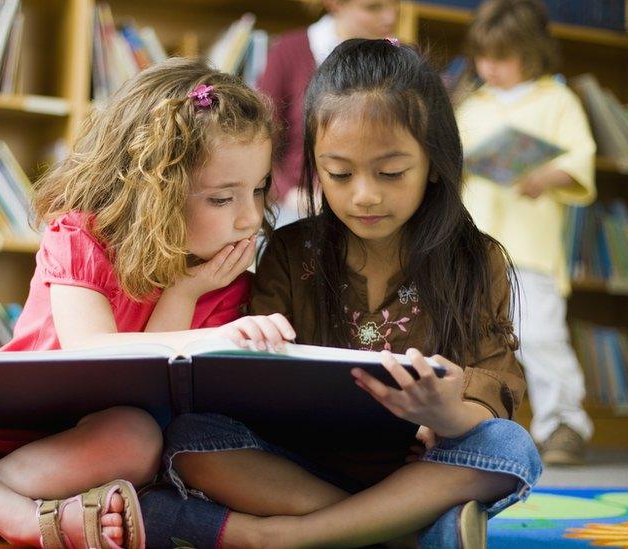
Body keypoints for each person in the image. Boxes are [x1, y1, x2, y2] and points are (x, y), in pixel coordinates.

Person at [0, 58, 293, 548]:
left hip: (72, 451)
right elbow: (91, 347)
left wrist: (184, 291)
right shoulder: (81, 236)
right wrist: (206, 333)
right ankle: (19, 520)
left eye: (258, 190)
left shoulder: (226, 283)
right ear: (153, 191)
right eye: (222, 199)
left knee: (138, 438)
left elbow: (145, 392)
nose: (250, 218)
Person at [142, 39, 542, 549]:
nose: (365, 194)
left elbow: (496, 387)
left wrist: (445, 414)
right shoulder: (290, 250)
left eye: (391, 172)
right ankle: (402, 533)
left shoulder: (475, 259)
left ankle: (287, 538)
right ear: (314, 163)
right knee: (191, 440)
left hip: (423, 467)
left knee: (512, 448)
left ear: (435, 163)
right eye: (340, 173)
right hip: (301, 468)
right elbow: (247, 383)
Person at [459, 0, 598, 465]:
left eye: (502, 57)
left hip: (531, 248)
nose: (489, 67)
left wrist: (547, 177)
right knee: (472, 336)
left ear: (531, 52)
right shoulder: (470, 104)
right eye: (483, 56)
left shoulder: (557, 101)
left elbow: (580, 158)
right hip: (474, 246)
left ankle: (562, 424)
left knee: (539, 336)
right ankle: (476, 423)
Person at [257, 0, 400, 226]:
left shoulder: (401, 59)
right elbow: (258, 138)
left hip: (372, 203)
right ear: (334, 4)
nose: (391, 17)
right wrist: (287, 193)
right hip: (300, 207)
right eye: (373, 7)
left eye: (396, 3)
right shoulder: (287, 51)